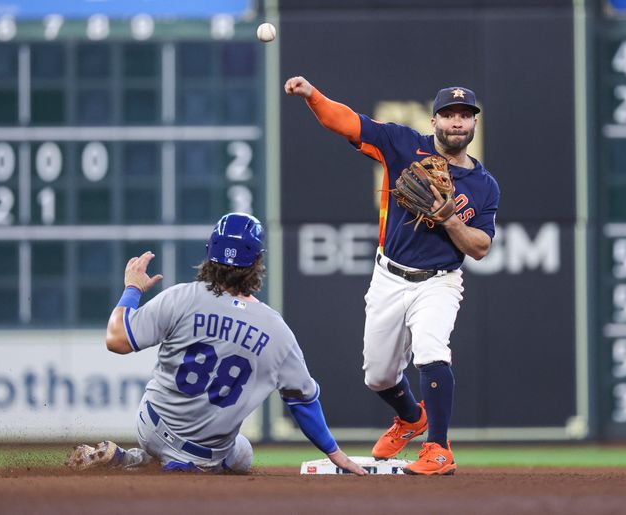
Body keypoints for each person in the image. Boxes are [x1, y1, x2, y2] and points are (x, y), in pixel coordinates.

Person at [284, 77, 500, 475]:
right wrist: (313, 96)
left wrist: (450, 219)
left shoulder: (484, 186)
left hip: (440, 280)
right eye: (449, 115)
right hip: (389, 275)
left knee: (432, 350)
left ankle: (438, 447)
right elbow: (348, 123)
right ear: (434, 121)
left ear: (474, 125)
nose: (457, 122)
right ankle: (410, 418)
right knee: (378, 376)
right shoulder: (402, 144)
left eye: (465, 116)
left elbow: (480, 247)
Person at [68, 213, 366, 475]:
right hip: (204, 455)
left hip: (150, 425)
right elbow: (303, 401)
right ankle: (175, 463)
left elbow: (116, 339)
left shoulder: (181, 297)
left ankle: (131, 458)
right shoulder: (276, 330)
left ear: (210, 254)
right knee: (243, 453)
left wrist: (132, 289)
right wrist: (334, 453)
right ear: (257, 262)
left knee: (229, 447)